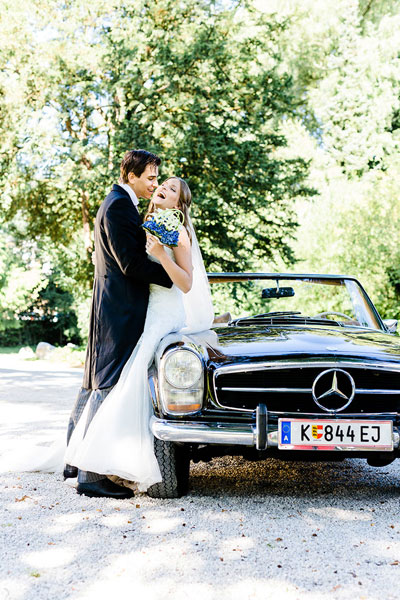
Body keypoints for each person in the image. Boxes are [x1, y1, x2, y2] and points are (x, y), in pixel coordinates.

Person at [65, 176, 214, 494]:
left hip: (165, 314)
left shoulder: (179, 232)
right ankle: (103, 460)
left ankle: (100, 463)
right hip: (143, 313)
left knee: (134, 383)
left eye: (173, 189)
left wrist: (161, 255)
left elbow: (186, 283)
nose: (164, 188)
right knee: (131, 382)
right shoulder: (143, 222)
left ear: (179, 204)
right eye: (163, 183)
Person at [65, 149, 173, 499]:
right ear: (131, 176)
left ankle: (73, 460)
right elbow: (131, 265)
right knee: (108, 385)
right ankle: (90, 474)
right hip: (120, 309)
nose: (155, 183)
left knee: (94, 383)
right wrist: (176, 277)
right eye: (151, 177)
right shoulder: (119, 206)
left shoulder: (118, 202)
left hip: (112, 306)